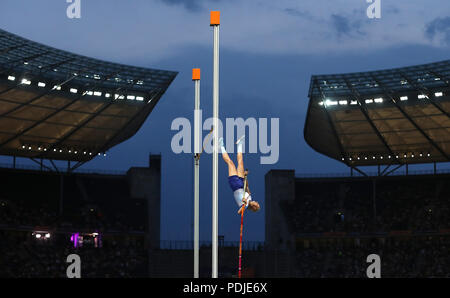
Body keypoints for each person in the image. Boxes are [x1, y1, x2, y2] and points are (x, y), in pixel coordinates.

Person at [219, 136, 260, 213]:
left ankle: (221, 146)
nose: (256, 202)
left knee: (230, 163)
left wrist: (244, 203)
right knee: (240, 163)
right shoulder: (250, 197)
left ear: (254, 207)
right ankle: (240, 144)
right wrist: (245, 177)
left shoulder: (246, 205)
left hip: (235, 185)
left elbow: (239, 212)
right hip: (241, 183)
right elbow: (247, 186)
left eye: (257, 204)